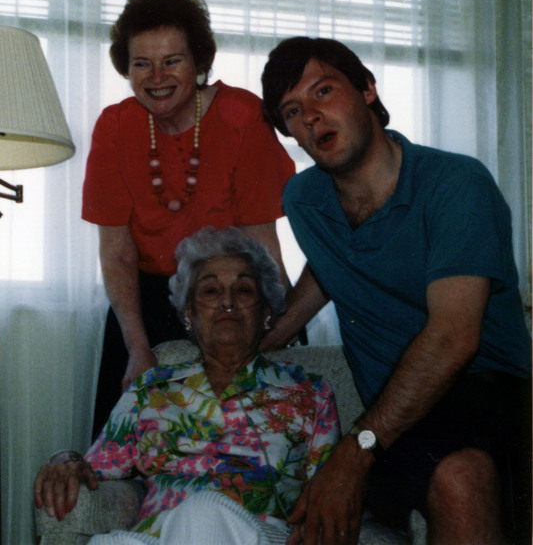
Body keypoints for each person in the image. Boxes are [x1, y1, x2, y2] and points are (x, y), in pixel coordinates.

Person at [258, 37, 532, 545]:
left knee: (459, 475)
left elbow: (454, 337)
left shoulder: (456, 184)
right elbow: (329, 266)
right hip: (395, 412)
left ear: (367, 89)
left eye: (323, 91)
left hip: (486, 391)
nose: (311, 116)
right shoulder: (303, 199)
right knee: (299, 511)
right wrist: (262, 338)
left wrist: (356, 449)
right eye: (293, 111)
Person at [34, 227, 339, 544]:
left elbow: (330, 488)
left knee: (202, 513)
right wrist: (64, 460)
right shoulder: (151, 389)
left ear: (266, 312)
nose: (228, 302)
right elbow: (93, 467)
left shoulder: (309, 391)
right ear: (189, 314)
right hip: (159, 534)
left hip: (259, 532)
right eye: (211, 291)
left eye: (244, 290)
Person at [83, 0, 296, 438]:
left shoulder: (242, 116)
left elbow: (262, 241)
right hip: (146, 305)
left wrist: (281, 331)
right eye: (142, 63)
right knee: (126, 445)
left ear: (198, 61)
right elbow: (116, 251)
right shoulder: (115, 127)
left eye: (172, 60)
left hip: (233, 296)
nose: (157, 76)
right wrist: (137, 347)